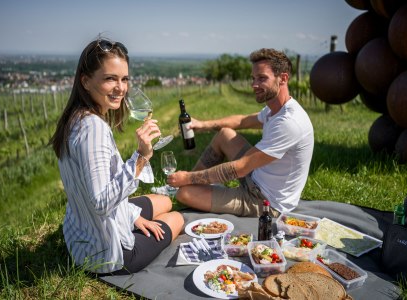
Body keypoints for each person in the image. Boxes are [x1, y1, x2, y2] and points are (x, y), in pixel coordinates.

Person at [50, 37, 184, 275]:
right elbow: (101, 203)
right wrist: (142, 156)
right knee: (176, 218)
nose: (121, 88)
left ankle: (131, 219)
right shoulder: (93, 129)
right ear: (86, 81)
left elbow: (98, 195)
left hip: (84, 231)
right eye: (110, 78)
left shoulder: (77, 117)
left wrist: (133, 217)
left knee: (164, 201)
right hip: (106, 253)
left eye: (124, 79)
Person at [166, 48, 314, 217]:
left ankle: (189, 184)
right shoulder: (276, 109)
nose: (254, 85)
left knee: (184, 194)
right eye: (253, 78)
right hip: (258, 176)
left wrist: (187, 179)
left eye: (262, 78)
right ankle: (196, 182)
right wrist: (203, 125)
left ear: (283, 78)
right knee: (225, 134)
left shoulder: (289, 123)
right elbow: (243, 121)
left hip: (265, 201)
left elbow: (241, 168)